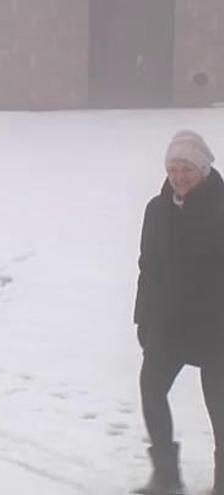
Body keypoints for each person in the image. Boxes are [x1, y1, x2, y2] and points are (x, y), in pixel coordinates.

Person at [134, 130, 223, 495]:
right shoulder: (157, 210)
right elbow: (148, 268)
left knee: (219, 406)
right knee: (151, 388)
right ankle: (166, 476)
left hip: (216, 326)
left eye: (186, 168)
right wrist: (143, 319)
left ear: (202, 169)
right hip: (169, 325)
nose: (179, 176)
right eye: (173, 168)